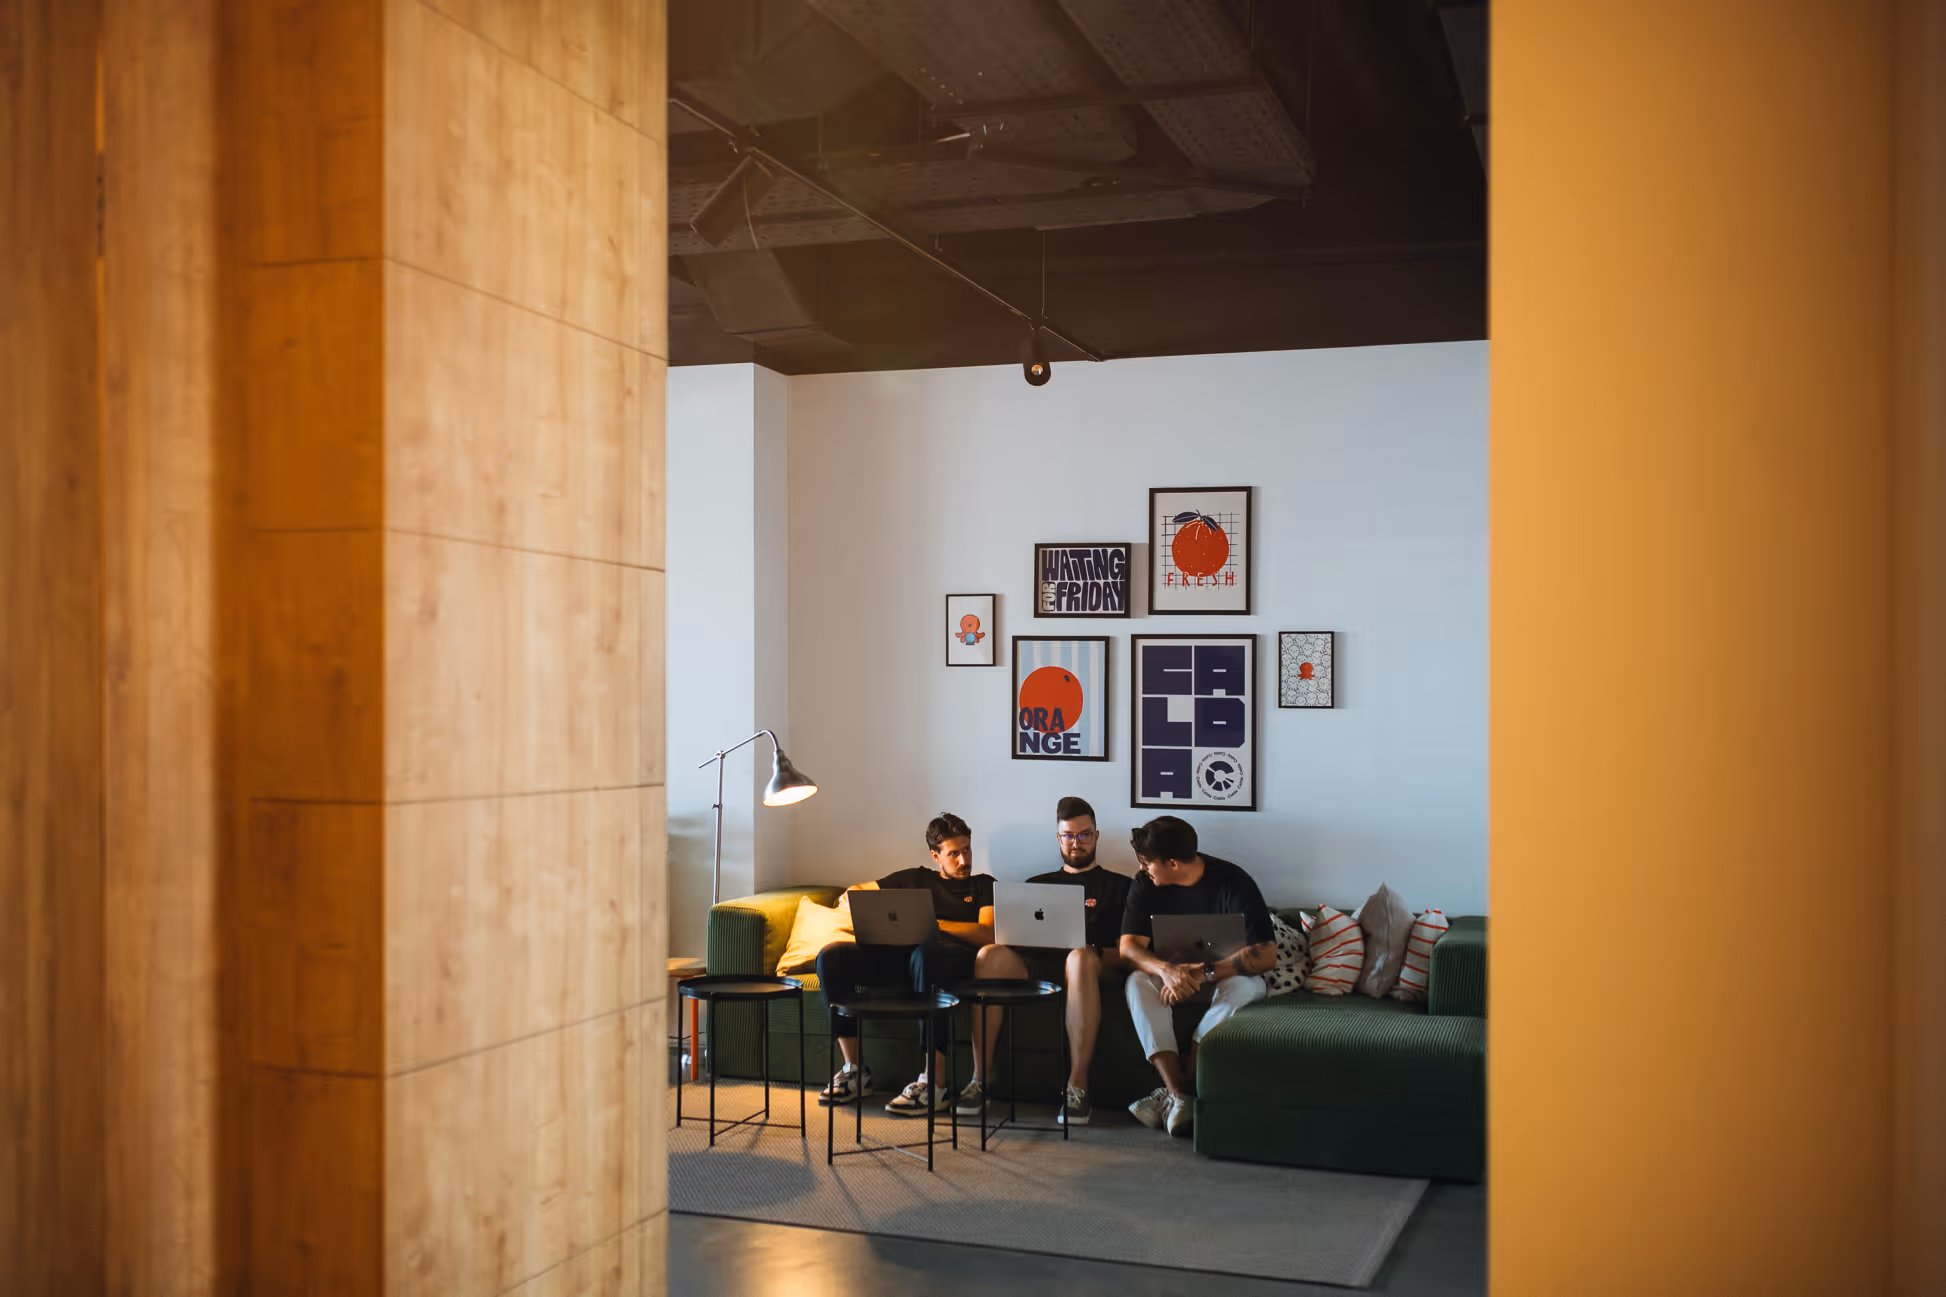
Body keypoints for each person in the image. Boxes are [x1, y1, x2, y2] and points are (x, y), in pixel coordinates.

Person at [814, 812, 995, 1116]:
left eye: (967, 850)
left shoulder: (983, 886)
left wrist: (935, 924)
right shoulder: (915, 879)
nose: (964, 860)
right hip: (903, 961)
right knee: (831, 956)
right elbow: (856, 892)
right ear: (935, 856)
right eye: (954, 854)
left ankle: (934, 1083)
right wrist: (853, 899)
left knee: (927, 954)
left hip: (951, 963)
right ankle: (854, 1070)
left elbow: (987, 933)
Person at [965, 796, 1130, 1126]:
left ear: (1096, 836)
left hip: (1092, 963)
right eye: (1068, 835)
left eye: (1084, 834)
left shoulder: (1122, 886)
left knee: (1079, 957)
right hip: (1038, 961)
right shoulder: (1037, 886)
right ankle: (979, 1079)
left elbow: (1133, 948)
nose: (1076, 842)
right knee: (989, 954)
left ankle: (1077, 1085)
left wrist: (1091, 950)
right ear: (1058, 839)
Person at [1118, 815, 1276, 1137]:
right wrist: (1167, 970)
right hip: (1171, 978)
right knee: (1136, 982)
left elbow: (1266, 954)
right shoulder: (1144, 884)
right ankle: (1179, 1094)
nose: (1144, 868)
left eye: (1149, 862)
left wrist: (1203, 973)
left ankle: (1179, 1092)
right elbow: (1128, 949)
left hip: (1225, 977)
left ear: (1173, 863)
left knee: (1243, 989)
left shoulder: (1233, 880)